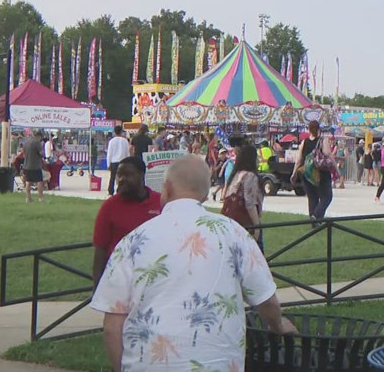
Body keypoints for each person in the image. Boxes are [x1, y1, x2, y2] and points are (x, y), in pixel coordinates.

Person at [90, 156, 294, 372]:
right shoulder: (235, 234)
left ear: (166, 189)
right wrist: (278, 325)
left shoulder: (133, 241)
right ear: (205, 195)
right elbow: (266, 300)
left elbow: (112, 326)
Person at [92, 156, 162, 287]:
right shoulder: (109, 206)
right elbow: (100, 249)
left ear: (142, 175)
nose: (122, 179)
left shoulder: (161, 203)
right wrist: (97, 285)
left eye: (128, 175)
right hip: (119, 280)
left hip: (154, 280)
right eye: (119, 175)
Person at [222, 145, 265, 247]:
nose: (258, 160)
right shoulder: (250, 176)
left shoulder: (236, 174)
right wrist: (256, 227)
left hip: (230, 222)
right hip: (245, 223)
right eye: (257, 157)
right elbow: (250, 204)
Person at [296, 121, 335, 223]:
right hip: (321, 172)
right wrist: (336, 169)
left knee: (312, 198)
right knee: (326, 197)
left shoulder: (304, 142)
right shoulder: (323, 140)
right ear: (319, 129)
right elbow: (328, 154)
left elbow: (299, 160)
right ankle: (316, 216)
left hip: (306, 173)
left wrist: (294, 173)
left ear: (308, 129)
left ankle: (314, 221)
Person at [22, 130, 46, 203]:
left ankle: (28, 198)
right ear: (39, 136)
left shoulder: (26, 142)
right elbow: (41, 153)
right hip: (35, 166)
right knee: (39, 181)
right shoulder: (37, 142)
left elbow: (24, 153)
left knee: (28, 182)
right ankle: (41, 198)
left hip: (26, 165)